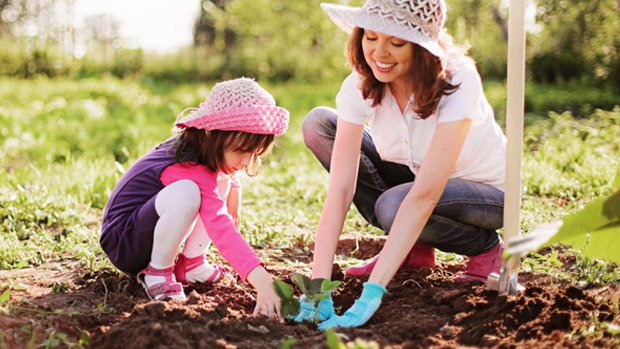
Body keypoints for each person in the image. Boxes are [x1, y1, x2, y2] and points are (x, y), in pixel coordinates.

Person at [298, 0, 507, 328]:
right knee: (319, 124)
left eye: (396, 42)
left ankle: (486, 248)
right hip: (416, 175)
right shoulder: (361, 82)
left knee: (395, 206)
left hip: (487, 195)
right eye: (370, 37)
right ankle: (413, 250)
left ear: (423, 49)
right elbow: (340, 188)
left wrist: (371, 294)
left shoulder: (458, 79)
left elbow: (424, 195)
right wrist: (316, 289)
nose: (380, 53)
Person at [100, 78, 289, 319]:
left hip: (145, 231)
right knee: (188, 192)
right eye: (241, 151)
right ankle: (157, 273)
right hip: (124, 242)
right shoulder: (185, 164)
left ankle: (192, 264)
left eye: (254, 153)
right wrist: (262, 281)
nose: (246, 161)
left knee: (221, 179)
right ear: (211, 132)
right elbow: (220, 227)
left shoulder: (204, 152)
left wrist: (234, 188)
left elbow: (222, 179)